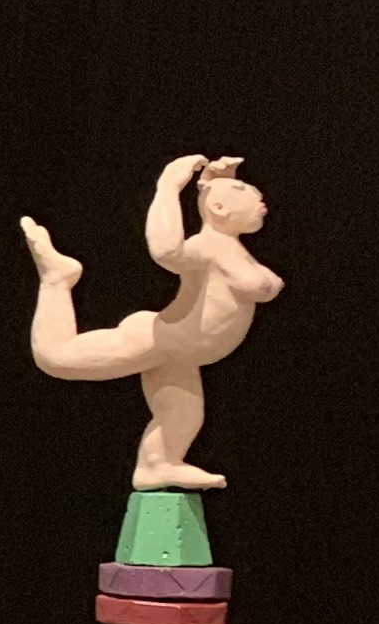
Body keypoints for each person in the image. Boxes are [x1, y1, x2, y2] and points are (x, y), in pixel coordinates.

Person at [18, 154, 284, 489]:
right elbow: (166, 250)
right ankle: (57, 279)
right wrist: (169, 186)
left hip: (181, 356)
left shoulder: (229, 246)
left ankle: (157, 465)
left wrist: (215, 184)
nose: (261, 200)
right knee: (55, 357)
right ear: (219, 209)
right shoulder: (207, 247)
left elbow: (220, 221)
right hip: (158, 339)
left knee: (184, 416)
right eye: (248, 193)